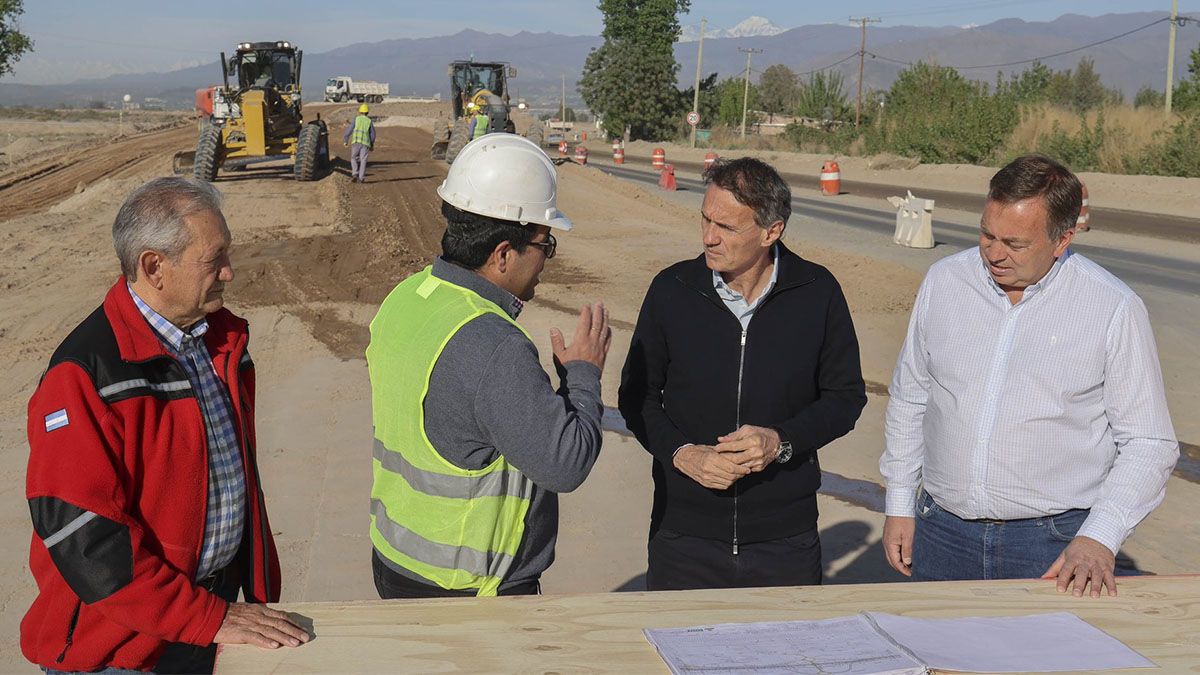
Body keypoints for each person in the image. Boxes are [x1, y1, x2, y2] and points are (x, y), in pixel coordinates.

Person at [21, 177, 308, 674]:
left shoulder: (221, 343)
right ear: (155, 266)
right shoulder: (85, 374)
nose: (229, 273)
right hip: (123, 648)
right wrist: (205, 617)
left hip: (209, 618)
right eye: (213, 259)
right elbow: (84, 537)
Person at [879, 154, 1179, 598]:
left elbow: (1149, 443)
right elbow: (911, 397)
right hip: (939, 532)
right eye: (986, 234)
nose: (994, 254)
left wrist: (1100, 536)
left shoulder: (1112, 307)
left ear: (1062, 239)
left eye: (1015, 243)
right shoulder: (945, 282)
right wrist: (900, 501)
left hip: (1051, 546)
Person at [367, 133, 611, 598]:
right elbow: (565, 464)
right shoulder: (493, 344)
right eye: (546, 244)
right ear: (502, 253)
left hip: (396, 562)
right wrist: (583, 375)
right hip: (469, 591)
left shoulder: (410, 296)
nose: (546, 261)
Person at [618, 157, 867, 590]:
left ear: (772, 232)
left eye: (727, 227)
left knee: (787, 657)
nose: (708, 237)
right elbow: (636, 396)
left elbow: (845, 397)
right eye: (705, 220)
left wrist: (781, 442)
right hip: (683, 538)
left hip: (786, 542)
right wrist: (682, 454)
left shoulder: (817, 292)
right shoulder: (671, 290)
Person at [342, 103, 375, 183]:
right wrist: (371, 144)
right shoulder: (369, 121)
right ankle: (361, 178)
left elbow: (349, 130)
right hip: (365, 144)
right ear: (367, 112)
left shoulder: (356, 119)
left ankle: (354, 174)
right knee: (363, 160)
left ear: (360, 111)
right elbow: (373, 134)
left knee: (354, 158)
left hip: (356, 142)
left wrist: (346, 139)